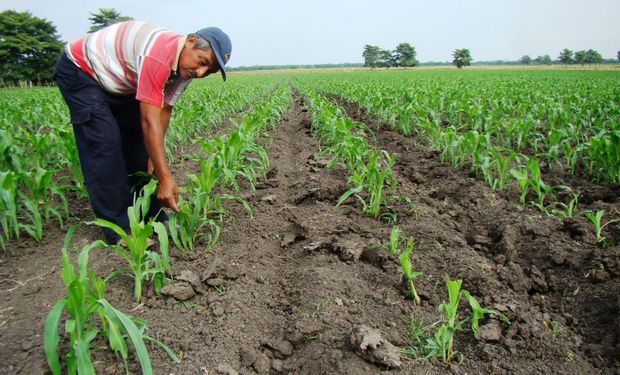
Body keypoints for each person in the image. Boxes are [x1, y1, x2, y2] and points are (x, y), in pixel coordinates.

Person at [53, 20, 232, 244]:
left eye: (209, 71)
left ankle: (150, 213)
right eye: (202, 62)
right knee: (104, 145)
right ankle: (120, 229)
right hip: (82, 72)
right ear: (190, 41)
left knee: (139, 150)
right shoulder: (159, 54)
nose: (201, 72)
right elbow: (149, 121)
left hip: (120, 82)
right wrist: (165, 178)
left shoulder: (185, 70)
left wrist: (152, 157)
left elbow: (164, 109)